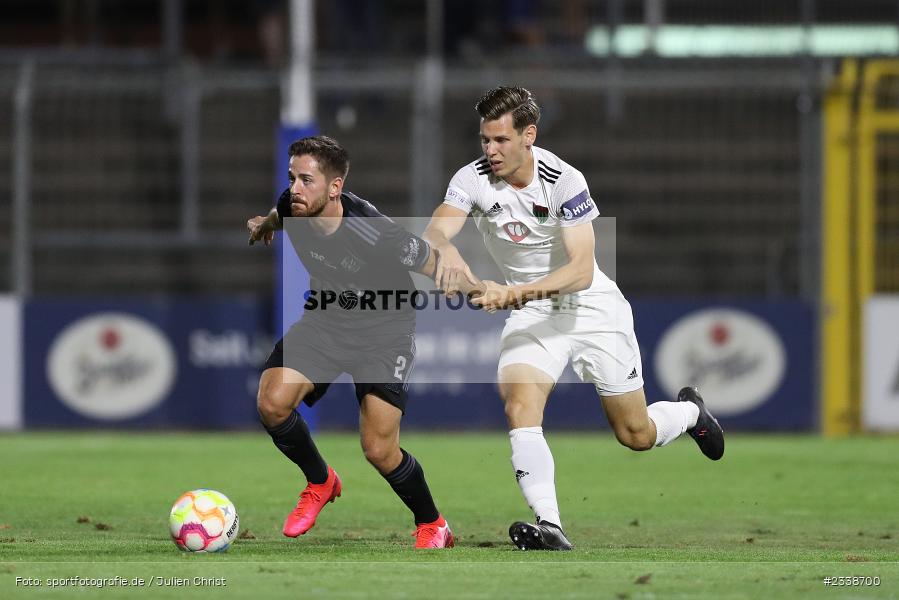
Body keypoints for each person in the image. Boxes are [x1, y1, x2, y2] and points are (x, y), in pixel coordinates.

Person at [423, 86, 725, 551]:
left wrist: (513, 292)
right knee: (519, 404)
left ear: (529, 136)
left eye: (501, 140)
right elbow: (437, 229)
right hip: (531, 314)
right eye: (485, 139)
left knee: (635, 434)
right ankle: (550, 526)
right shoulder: (473, 177)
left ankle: (689, 412)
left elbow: (581, 270)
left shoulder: (564, 179)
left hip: (592, 309)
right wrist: (443, 251)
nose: (490, 150)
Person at [247, 135, 456, 548]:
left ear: (335, 187)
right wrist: (264, 224)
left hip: (384, 333)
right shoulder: (293, 204)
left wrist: (483, 290)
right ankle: (321, 481)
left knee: (378, 449)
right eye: (292, 178)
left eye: (306, 180)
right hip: (326, 320)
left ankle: (434, 524)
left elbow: (434, 263)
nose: (296, 188)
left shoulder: (374, 232)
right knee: (272, 403)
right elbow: (281, 212)